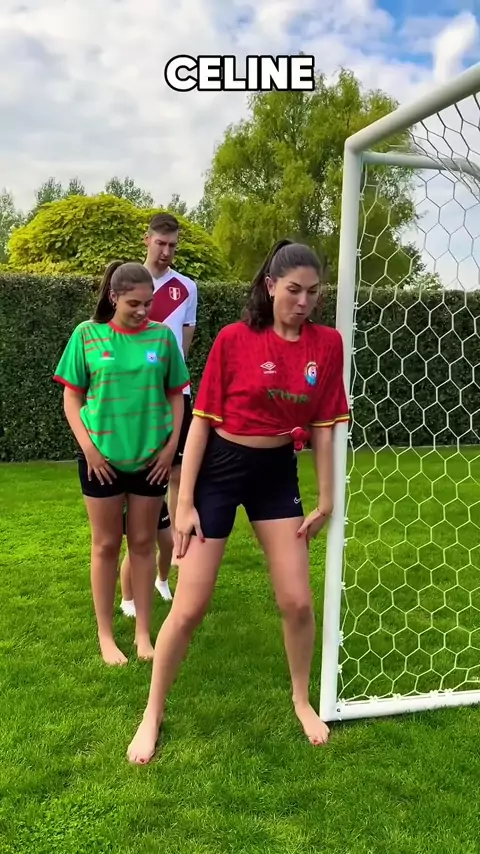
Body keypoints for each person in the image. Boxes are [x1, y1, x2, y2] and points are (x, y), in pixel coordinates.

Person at [126, 238, 350, 764]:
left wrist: (326, 498)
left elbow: (324, 425)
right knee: (189, 606)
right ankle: (152, 713)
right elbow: (201, 423)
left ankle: (301, 699)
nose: (303, 301)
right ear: (270, 286)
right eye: (293, 290)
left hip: (276, 474)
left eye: (313, 292)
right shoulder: (234, 338)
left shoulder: (327, 344)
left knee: (297, 601)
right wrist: (183, 503)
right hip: (221, 472)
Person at [53, 260, 189, 665]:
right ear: (114, 297)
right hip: (101, 460)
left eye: (148, 303)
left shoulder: (163, 338)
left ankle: (143, 634)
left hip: (151, 460)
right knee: (106, 545)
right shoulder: (87, 334)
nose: (143, 311)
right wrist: (89, 450)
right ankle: (106, 636)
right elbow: (72, 398)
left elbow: (177, 396)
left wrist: (169, 449)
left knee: (143, 544)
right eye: (134, 303)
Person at [119, 213, 197, 608]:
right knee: (136, 474)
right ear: (146, 240)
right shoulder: (128, 283)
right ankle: (136, 556)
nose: (166, 251)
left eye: (173, 245)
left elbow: (185, 342)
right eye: (160, 243)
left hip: (174, 394)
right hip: (135, 399)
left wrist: (171, 380)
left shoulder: (187, 287)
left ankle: (173, 557)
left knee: (178, 473)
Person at [120, 503, 174, 616]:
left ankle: (162, 582)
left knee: (168, 544)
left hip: (156, 500)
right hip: (134, 502)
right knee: (137, 548)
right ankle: (127, 599)